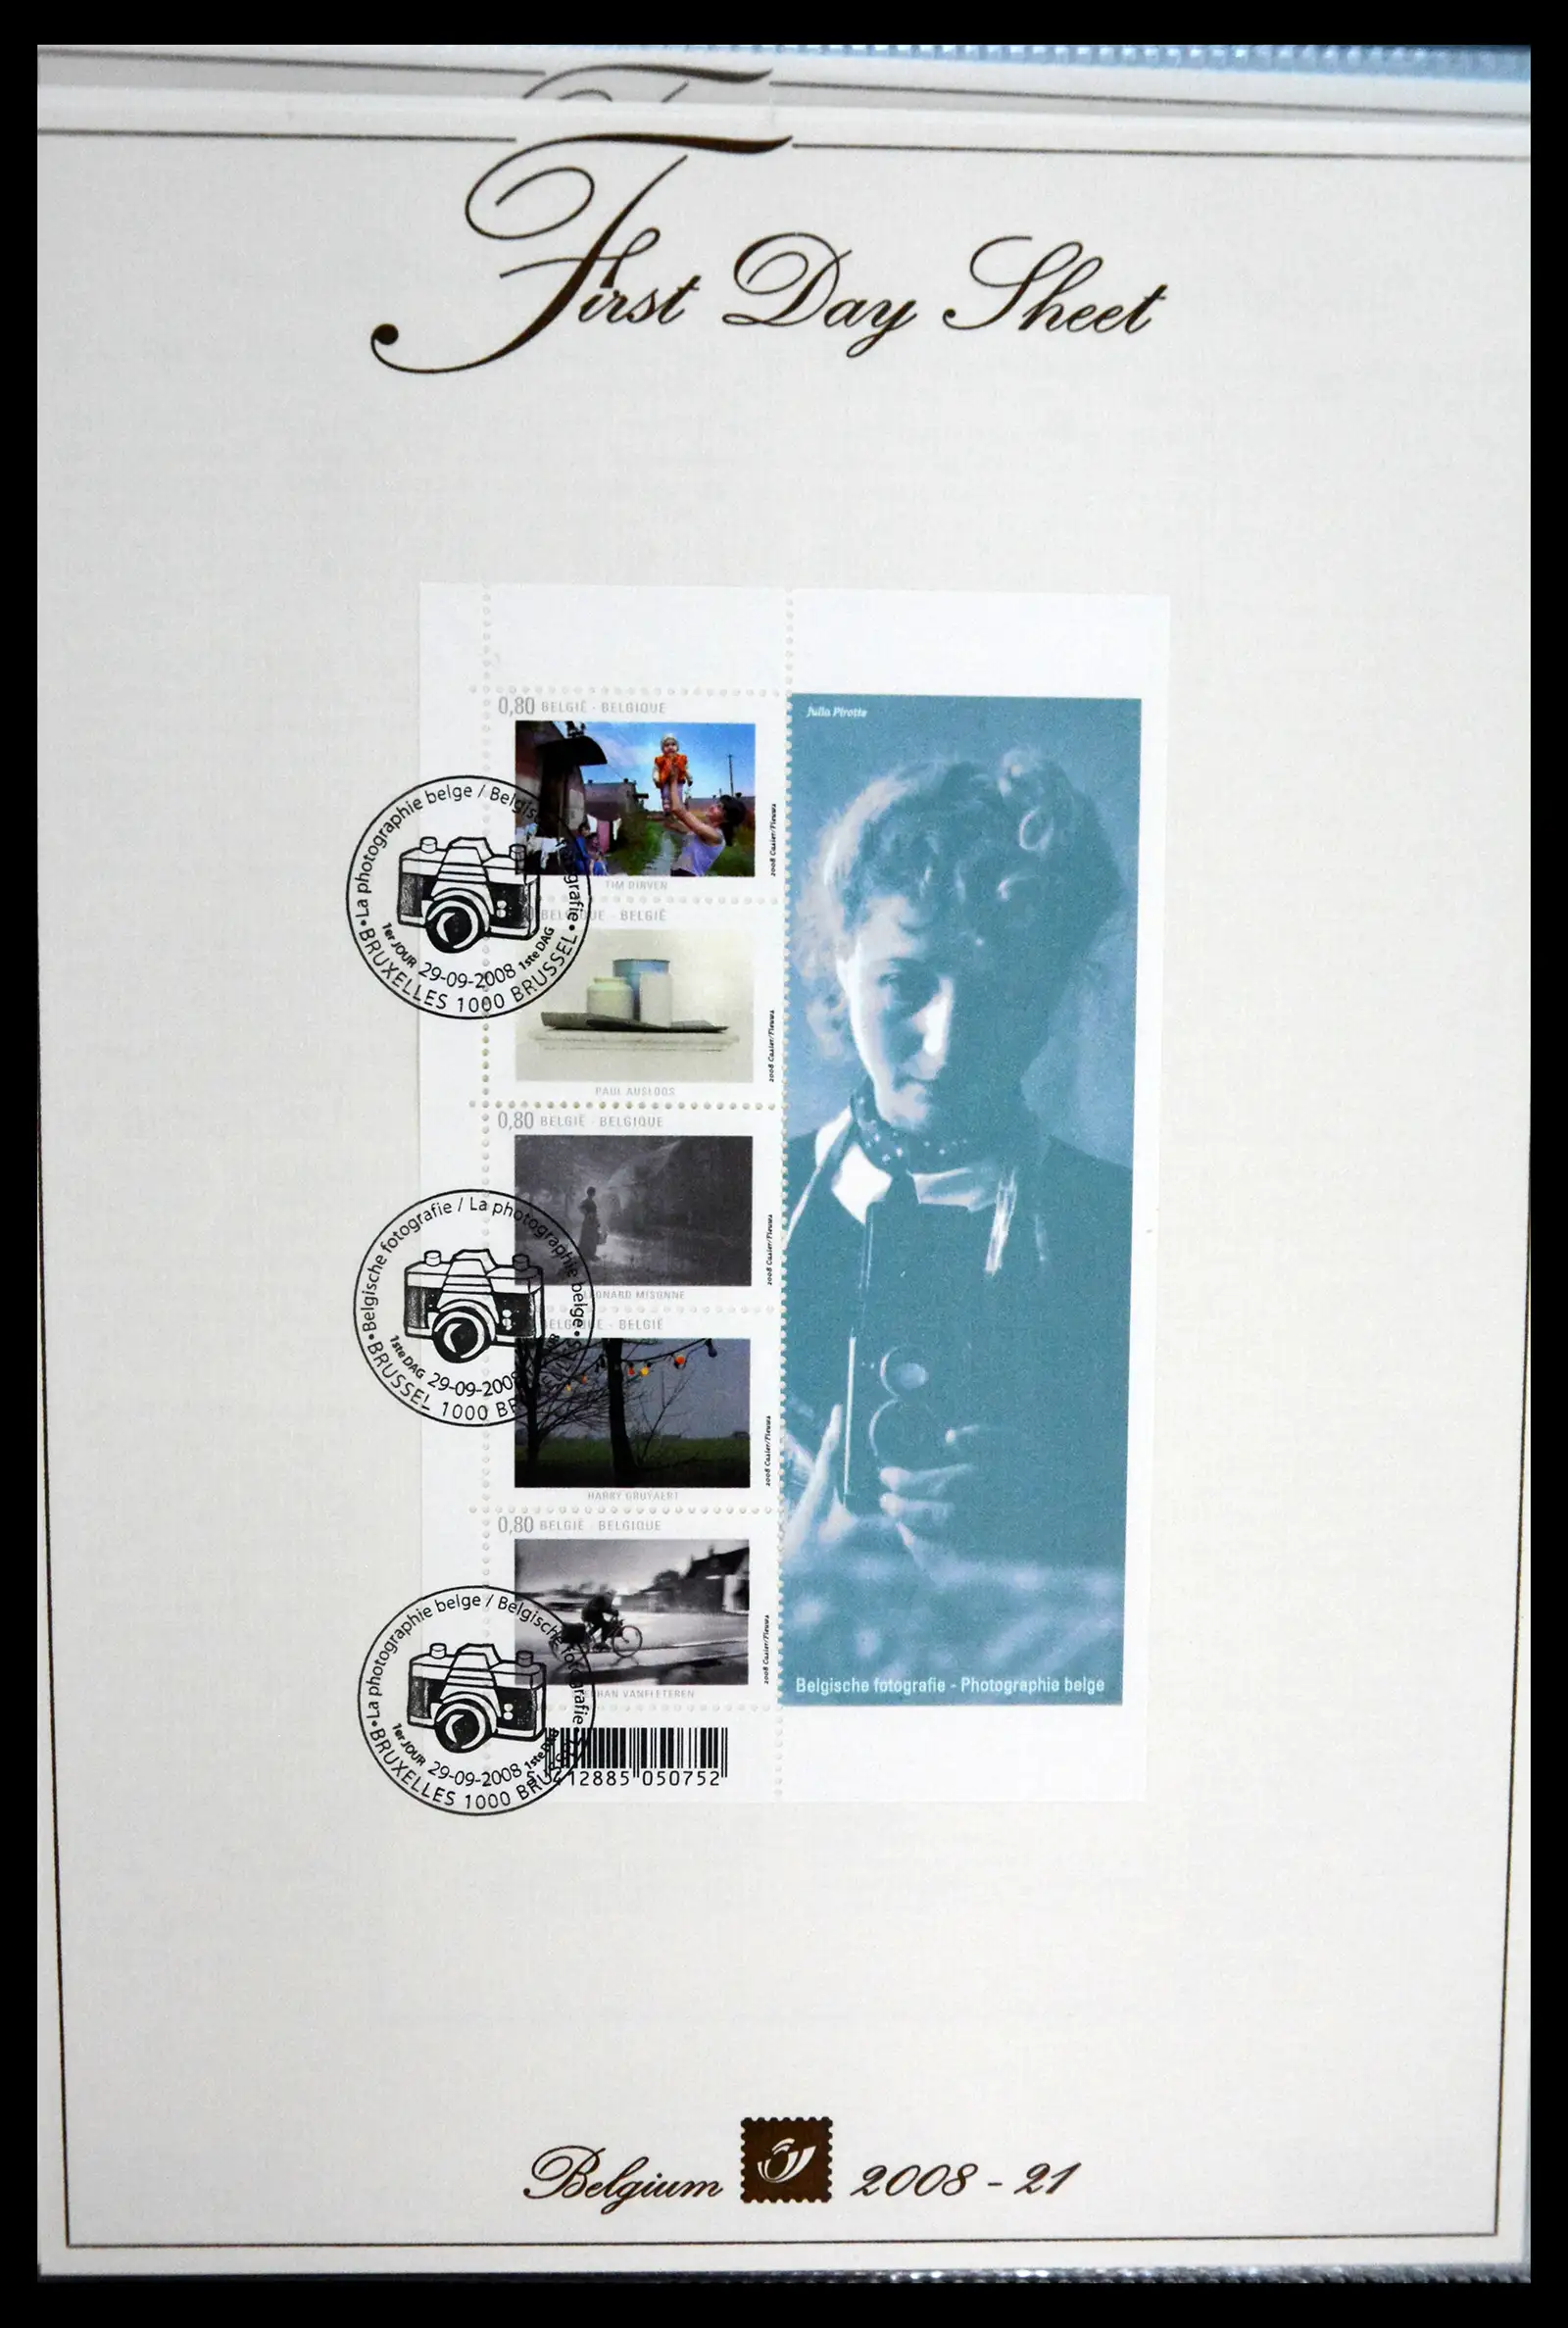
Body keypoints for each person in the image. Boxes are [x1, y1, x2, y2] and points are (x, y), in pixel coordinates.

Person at [783, 758, 1132, 1679]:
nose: (947, 1045)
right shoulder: (731, 1205)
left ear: (1054, 995)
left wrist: (1053, 1548)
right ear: (842, 959)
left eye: (1004, 992)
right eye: (905, 984)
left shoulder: (1127, 1236)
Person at [669, 792, 744, 878]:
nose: (712, 806)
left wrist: (673, 784)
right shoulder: (704, 829)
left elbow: (679, 810)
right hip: (678, 872)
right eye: (716, 804)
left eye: (719, 807)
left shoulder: (717, 837)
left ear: (727, 818)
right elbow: (674, 823)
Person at [653, 733, 691, 823]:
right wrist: (656, 778)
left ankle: (678, 809)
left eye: (673, 744)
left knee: (678, 793)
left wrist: (689, 778)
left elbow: (686, 770)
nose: (670, 747)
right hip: (665, 779)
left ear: (677, 747)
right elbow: (656, 770)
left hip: (678, 780)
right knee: (665, 792)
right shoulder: (660, 760)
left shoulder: (681, 759)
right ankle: (667, 806)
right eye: (667, 745)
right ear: (662, 749)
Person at [577, 1185, 602, 1263]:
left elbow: (594, 1212)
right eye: (591, 1193)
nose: (592, 1194)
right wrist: (587, 1214)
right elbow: (580, 1208)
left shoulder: (591, 1202)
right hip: (588, 1221)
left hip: (592, 1221)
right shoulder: (586, 1201)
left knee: (592, 1238)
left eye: (593, 1193)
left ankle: (590, 1254)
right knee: (587, 1237)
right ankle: (585, 1254)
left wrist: (596, 1221)